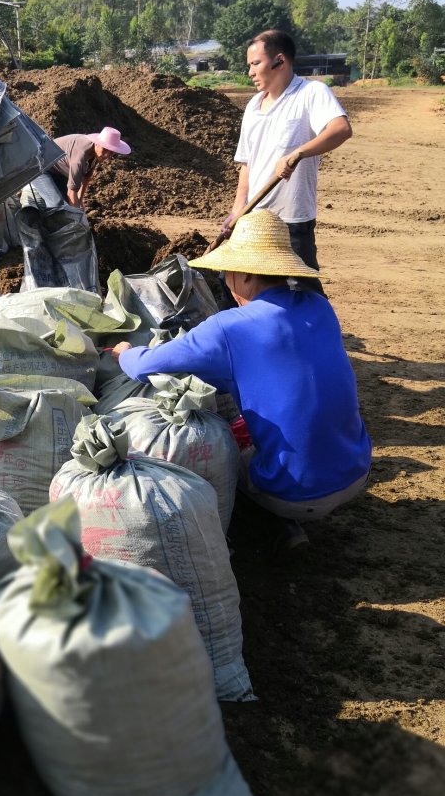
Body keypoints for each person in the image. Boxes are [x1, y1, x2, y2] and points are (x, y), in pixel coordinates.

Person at [111, 209, 372, 556]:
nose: (226, 279)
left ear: (245, 274)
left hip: (297, 495)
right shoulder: (319, 306)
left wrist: (124, 350)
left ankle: (277, 527)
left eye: (228, 272)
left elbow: (145, 366)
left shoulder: (229, 327)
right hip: (356, 471)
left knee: (212, 455)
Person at [224, 29, 352, 294]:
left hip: (291, 221)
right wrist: (239, 209)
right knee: (238, 289)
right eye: (249, 65)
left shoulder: (311, 93)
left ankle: (320, 334)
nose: (250, 72)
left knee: (303, 292)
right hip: (255, 218)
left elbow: (341, 129)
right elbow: (246, 163)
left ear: (279, 61)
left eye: (255, 63)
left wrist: (299, 152)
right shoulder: (253, 106)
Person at [48, 126, 131, 209]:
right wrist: (79, 216)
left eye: (111, 152)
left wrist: (80, 201)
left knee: (68, 203)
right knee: (57, 204)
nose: (107, 155)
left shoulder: (97, 152)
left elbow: (87, 176)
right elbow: (72, 192)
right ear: (97, 143)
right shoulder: (80, 157)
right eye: (105, 149)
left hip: (59, 172)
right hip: (41, 168)